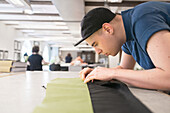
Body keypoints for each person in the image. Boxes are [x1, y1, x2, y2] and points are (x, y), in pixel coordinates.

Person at [74, 1, 170, 90]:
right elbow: (124, 69)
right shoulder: (126, 37)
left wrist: (112, 73)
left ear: (108, 29)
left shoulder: (144, 20)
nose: (98, 51)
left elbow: (168, 78)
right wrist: (98, 73)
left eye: (96, 44)